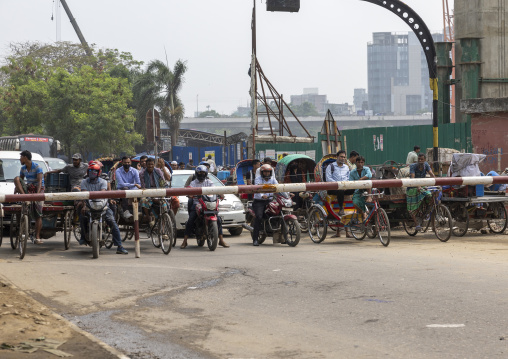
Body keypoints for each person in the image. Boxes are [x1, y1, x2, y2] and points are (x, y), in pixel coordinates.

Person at [79, 162, 128, 254]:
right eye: (90, 171)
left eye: (94, 171)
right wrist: (84, 205)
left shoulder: (103, 182)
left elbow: (102, 193)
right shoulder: (84, 182)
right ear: (87, 172)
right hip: (89, 207)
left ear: (99, 172)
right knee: (82, 218)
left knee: (112, 222)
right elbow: (84, 195)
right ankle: (83, 237)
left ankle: (119, 246)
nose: (92, 173)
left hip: (103, 206)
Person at [180, 165, 229, 249]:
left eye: (203, 173)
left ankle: (221, 239)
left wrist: (220, 194)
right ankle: (185, 241)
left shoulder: (209, 182)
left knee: (219, 219)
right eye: (200, 173)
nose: (201, 174)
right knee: (191, 219)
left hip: (208, 203)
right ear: (196, 173)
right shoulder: (193, 182)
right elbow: (189, 190)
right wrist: (190, 194)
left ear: (206, 173)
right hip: (197, 204)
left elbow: (215, 190)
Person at [13, 150, 45, 244]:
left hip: (38, 189)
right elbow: (21, 181)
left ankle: (37, 236)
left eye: (21, 157)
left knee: (38, 214)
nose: (20, 159)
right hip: (28, 188)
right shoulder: (23, 168)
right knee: (16, 179)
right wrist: (17, 188)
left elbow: (40, 183)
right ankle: (25, 197)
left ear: (25, 158)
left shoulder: (37, 167)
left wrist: (37, 195)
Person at [325, 150, 355, 238]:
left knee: (355, 189)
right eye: (341, 157)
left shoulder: (346, 167)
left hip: (345, 188)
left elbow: (349, 178)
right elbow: (328, 179)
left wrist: (347, 185)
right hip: (333, 189)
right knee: (340, 191)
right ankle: (341, 208)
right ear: (337, 157)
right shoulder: (330, 166)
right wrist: (340, 185)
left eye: (344, 157)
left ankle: (359, 207)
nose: (343, 158)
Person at [407, 153, 435, 231]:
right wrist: (417, 186)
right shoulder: (413, 166)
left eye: (421, 159)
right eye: (419, 159)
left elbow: (431, 174)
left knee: (430, 196)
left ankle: (426, 212)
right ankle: (416, 224)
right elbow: (412, 178)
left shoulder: (426, 165)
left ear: (424, 160)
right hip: (412, 187)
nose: (420, 161)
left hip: (422, 186)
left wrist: (437, 182)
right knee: (412, 207)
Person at [252, 164, 278, 246]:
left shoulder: (273, 179)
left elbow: (279, 187)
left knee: (278, 214)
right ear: (262, 172)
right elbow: (258, 189)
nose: (267, 173)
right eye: (265, 172)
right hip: (259, 201)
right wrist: (262, 195)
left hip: (270, 200)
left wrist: (288, 193)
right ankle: (255, 239)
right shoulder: (258, 179)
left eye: (268, 172)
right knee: (259, 217)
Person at [349, 156, 373, 222]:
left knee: (367, 182)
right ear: (356, 163)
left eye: (362, 162)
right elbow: (350, 182)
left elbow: (369, 175)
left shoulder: (366, 169)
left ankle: (369, 196)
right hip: (357, 190)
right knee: (355, 203)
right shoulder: (352, 172)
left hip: (367, 189)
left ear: (364, 163)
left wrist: (361, 179)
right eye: (358, 162)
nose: (360, 164)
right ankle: (363, 212)